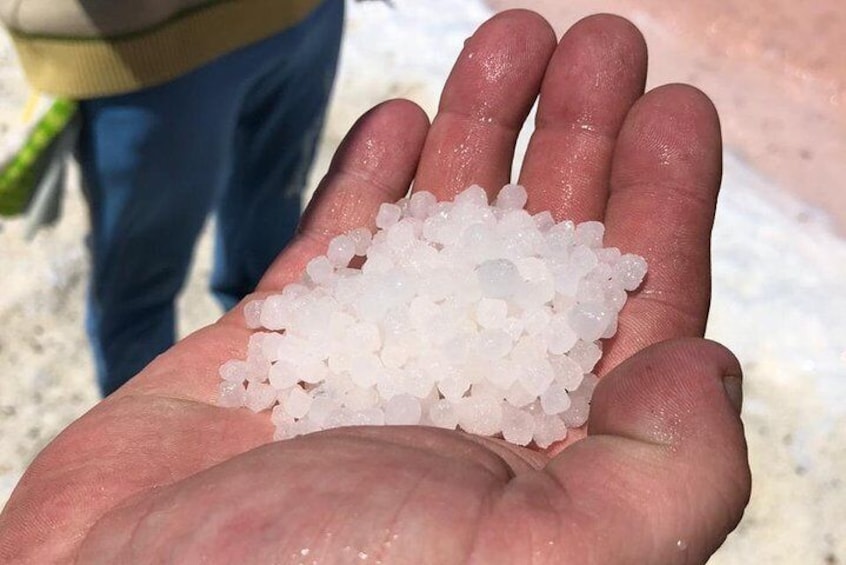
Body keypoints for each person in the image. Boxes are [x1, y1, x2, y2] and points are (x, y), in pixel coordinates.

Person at [0, 10, 751, 564]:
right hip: (131, 49)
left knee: (276, 212)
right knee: (139, 270)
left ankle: (238, 292)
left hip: (291, 17)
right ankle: (127, 368)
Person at [0, 0, 345, 395]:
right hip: (139, 55)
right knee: (140, 292)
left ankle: (278, 394)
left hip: (305, 16)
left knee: (273, 240)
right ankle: (145, 436)